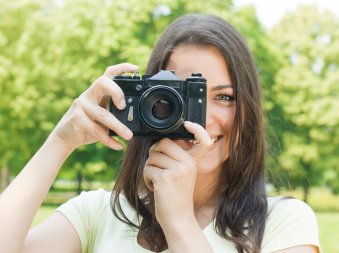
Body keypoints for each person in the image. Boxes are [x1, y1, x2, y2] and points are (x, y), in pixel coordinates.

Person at [0, 14, 322, 253]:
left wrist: (179, 221)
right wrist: (60, 141)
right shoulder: (100, 213)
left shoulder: (285, 224)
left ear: (247, 112)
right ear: (149, 101)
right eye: (183, 95)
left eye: (224, 97)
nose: (204, 120)